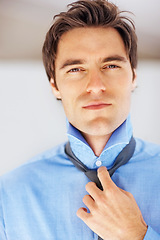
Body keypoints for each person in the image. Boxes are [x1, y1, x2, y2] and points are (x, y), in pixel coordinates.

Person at [0, 0, 160, 239]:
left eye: (111, 65)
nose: (95, 86)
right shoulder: (9, 195)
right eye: (75, 69)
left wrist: (136, 235)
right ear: (54, 85)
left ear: (134, 76)